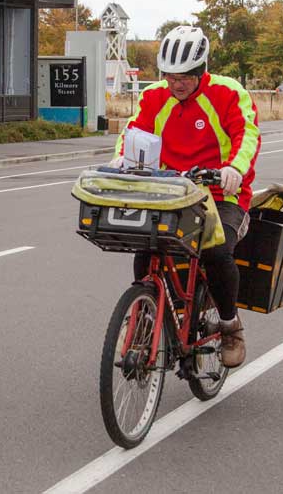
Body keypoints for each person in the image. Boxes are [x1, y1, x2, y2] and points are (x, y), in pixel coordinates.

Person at [110, 25, 261, 367]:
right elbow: (134, 132)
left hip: (221, 192)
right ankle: (143, 316)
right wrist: (121, 158)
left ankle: (229, 326)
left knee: (216, 250)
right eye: (170, 75)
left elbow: (247, 134)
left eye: (186, 76)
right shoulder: (154, 97)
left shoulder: (227, 93)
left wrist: (234, 168)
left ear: (202, 70)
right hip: (171, 190)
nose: (177, 83)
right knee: (146, 245)